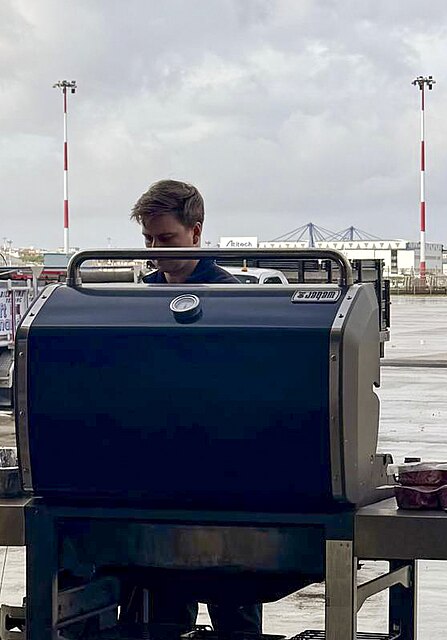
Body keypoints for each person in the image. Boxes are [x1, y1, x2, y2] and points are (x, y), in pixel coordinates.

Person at [120, 179, 262, 636]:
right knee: (158, 607)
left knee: (233, 607)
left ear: (196, 232)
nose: (154, 251)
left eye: (166, 239)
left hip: (222, 479)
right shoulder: (135, 300)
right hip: (154, 476)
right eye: (148, 241)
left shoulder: (237, 300)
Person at [131, 179, 237, 284]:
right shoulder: (143, 289)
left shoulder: (229, 294)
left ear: (195, 233)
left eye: (166, 238)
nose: (154, 248)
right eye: (148, 238)